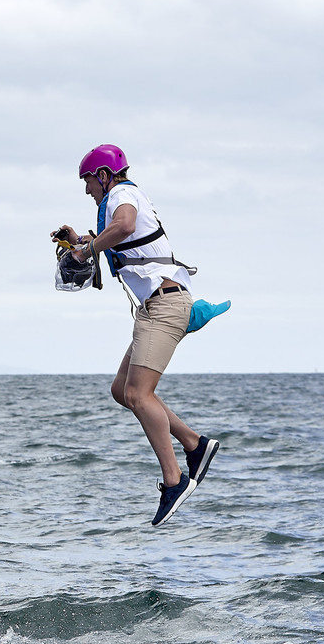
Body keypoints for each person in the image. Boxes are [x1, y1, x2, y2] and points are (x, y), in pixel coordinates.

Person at [61, 144, 220, 527]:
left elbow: (125, 227)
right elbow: (122, 237)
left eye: (87, 182)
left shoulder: (122, 193)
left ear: (102, 175)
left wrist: (85, 253)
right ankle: (196, 446)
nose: (87, 191)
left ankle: (175, 479)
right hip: (157, 305)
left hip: (164, 305)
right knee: (122, 390)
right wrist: (80, 239)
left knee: (137, 394)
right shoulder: (122, 198)